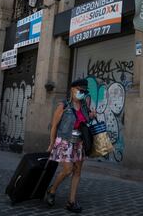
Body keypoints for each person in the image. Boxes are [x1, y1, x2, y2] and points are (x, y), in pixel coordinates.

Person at [45, 78, 96, 213]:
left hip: (79, 142)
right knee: (68, 170)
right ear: (72, 89)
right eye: (80, 90)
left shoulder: (84, 105)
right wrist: (51, 143)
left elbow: (84, 120)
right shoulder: (63, 105)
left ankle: (71, 202)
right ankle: (52, 189)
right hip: (65, 141)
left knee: (78, 171)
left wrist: (92, 116)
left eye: (84, 91)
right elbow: (54, 126)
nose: (82, 93)